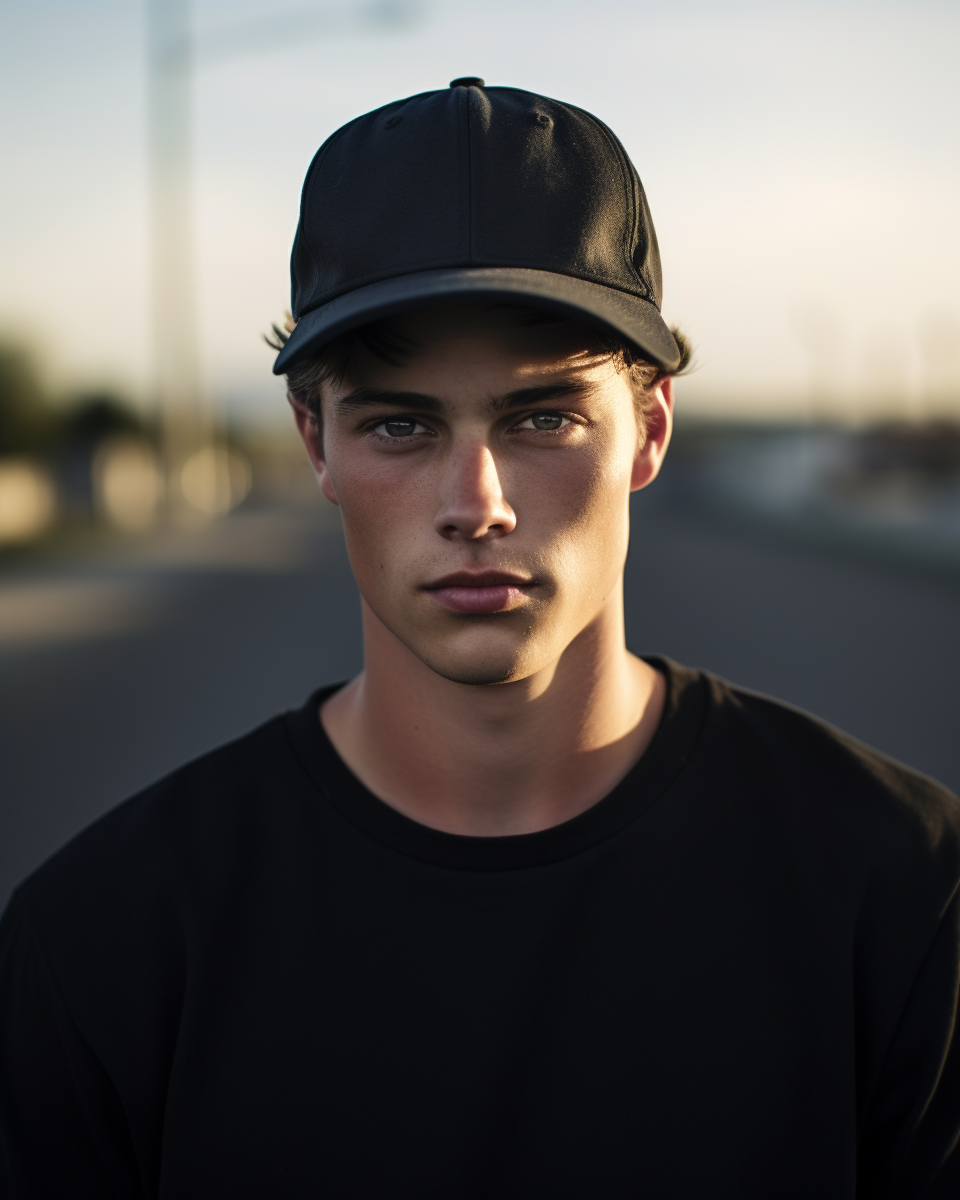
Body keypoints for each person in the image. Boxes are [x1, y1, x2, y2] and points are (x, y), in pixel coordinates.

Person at [1, 79, 959, 1199]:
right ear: (315, 441)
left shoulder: (905, 887)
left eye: (543, 417)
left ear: (647, 430)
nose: (478, 501)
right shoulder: (104, 939)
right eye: (400, 423)